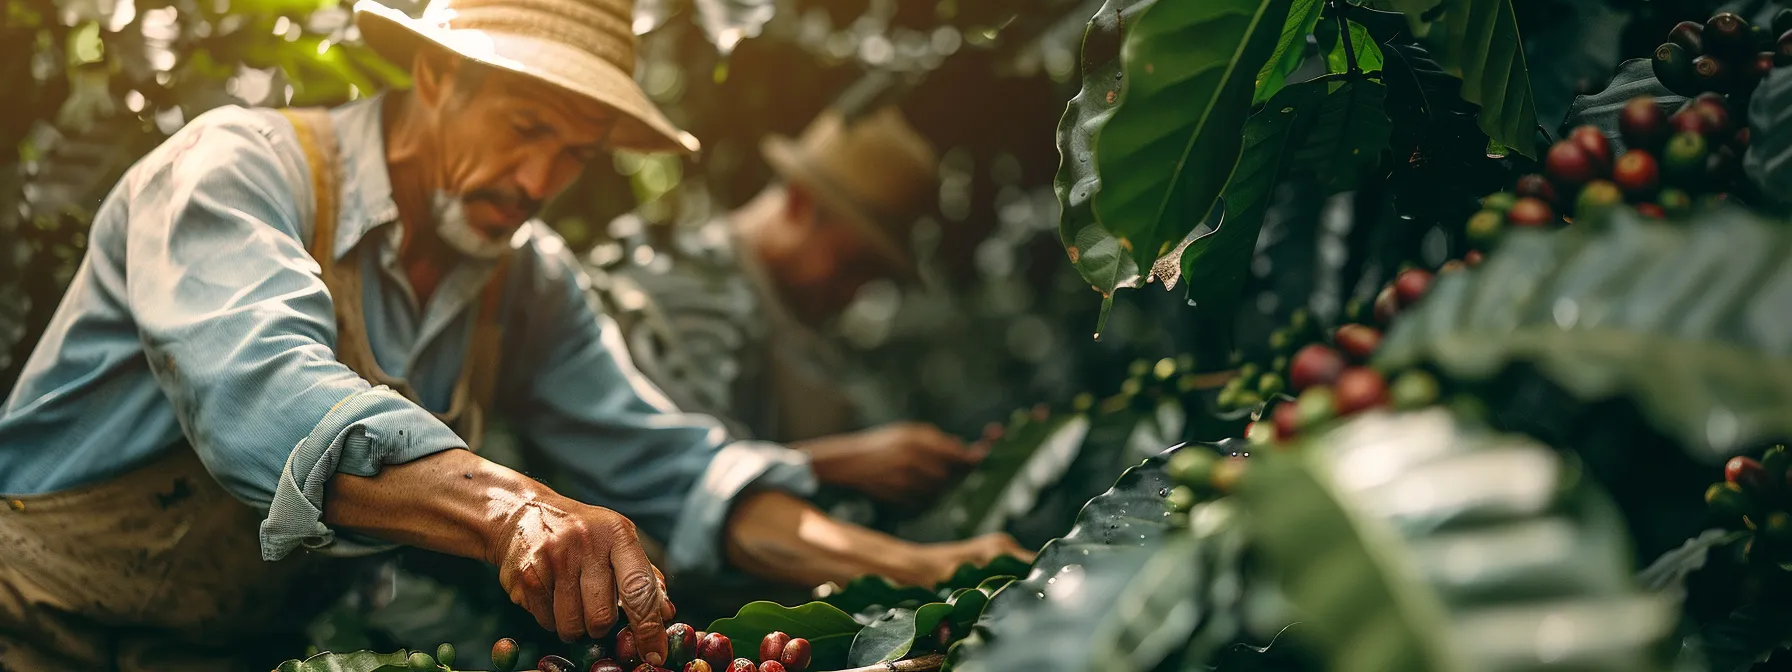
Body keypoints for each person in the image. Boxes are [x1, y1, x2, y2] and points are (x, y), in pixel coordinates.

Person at [0, 0, 1028, 667]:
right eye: (526, 128)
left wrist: (923, 570)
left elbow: (677, 473)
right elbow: (262, 405)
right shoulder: (231, 171)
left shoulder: (526, 284)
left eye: (573, 155)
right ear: (436, 79)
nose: (539, 185)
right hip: (30, 629)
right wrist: (516, 513)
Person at [590, 105, 980, 506]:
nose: (854, 294)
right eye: (853, 265)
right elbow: (674, 475)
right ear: (799, 203)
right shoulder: (682, 293)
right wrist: (846, 466)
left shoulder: (792, 315)